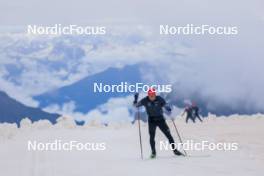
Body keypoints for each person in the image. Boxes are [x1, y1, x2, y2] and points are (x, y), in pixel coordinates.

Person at [133, 88, 184, 158]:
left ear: (155, 94)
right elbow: (136, 105)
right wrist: (135, 98)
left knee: (169, 135)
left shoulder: (159, 99)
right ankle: (153, 153)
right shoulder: (145, 100)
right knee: (152, 137)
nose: (152, 96)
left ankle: (175, 151)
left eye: (153, 94)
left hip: (161, 120)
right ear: (148, 95)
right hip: (151, 121)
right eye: (150, 95)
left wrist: (167, 107)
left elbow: (165, 105)